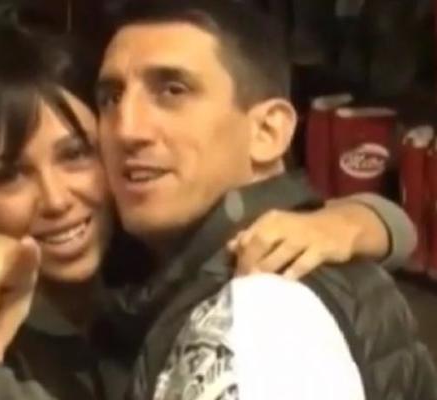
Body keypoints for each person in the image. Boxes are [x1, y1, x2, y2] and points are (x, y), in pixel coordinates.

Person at [0, 2, 420, 400]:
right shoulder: (147, 274)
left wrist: (357, 220)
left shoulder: (230, 282)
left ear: (269, 130)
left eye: (75, 154)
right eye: (11, 175)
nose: (56, 198)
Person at [94, 0, 437, 399]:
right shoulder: (152, 277)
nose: (126, 129)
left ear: (268, 132)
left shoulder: (268, 309)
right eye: (111, 98)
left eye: (173, 91)